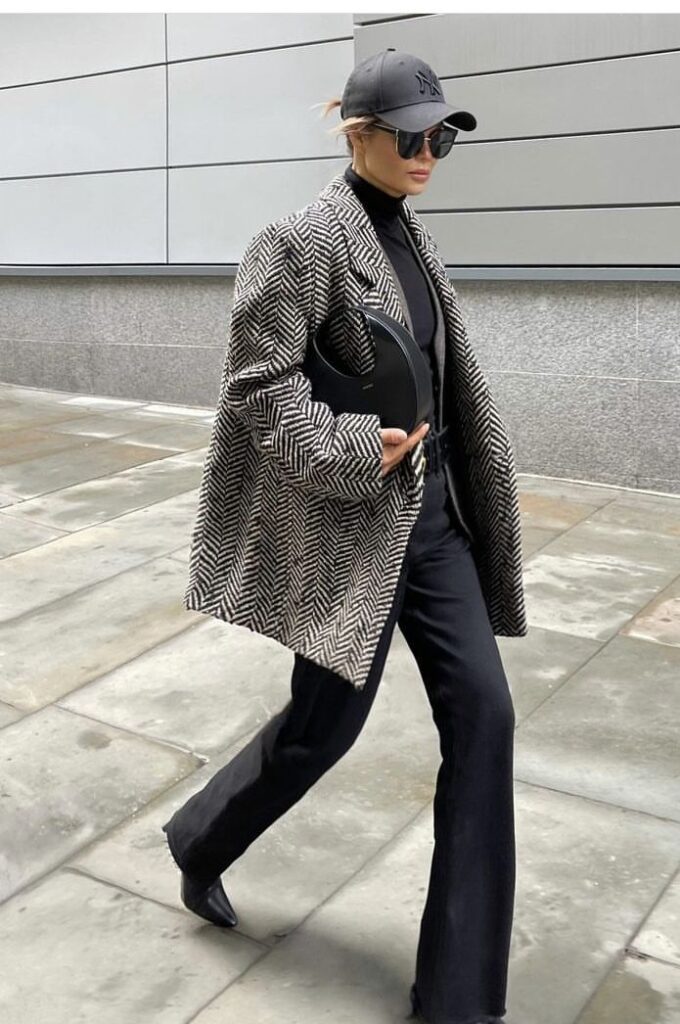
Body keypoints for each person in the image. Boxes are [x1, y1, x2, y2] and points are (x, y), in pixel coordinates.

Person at [162, 48, 526, 1024]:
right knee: (320, 731)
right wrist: (351, 450)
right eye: (409, 134)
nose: (426, 152)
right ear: (354, 132)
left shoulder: (410, 235)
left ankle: (457, 999)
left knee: (484, 720)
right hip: (357, 534)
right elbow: (258, 385)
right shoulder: (299, 242)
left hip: (434, 522)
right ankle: (200, 837)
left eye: (440, 135)